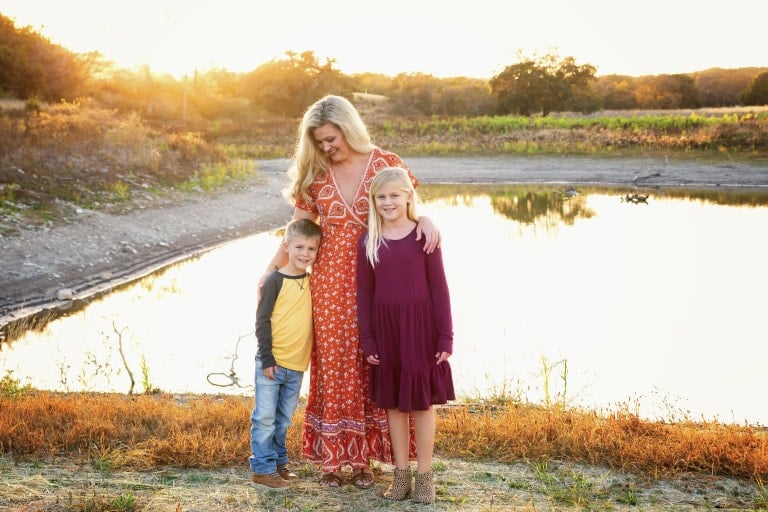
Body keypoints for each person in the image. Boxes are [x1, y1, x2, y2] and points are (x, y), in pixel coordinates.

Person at [259, 94, 440, 488]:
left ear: (349, 128)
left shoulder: (385, 163)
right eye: (319, 141)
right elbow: (299, 227)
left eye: (331, 138)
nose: (326, 147)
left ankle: (366, 464)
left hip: (383, 275)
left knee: (372, 362)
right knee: (336, 363)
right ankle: (332, 462)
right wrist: (271, 270)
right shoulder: (316, 173)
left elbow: (407, 205)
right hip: (330, 283)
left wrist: (425, 218)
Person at [356, 167, 454, 504]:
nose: (388, 202)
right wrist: (368, 338)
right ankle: (401, 475)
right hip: (386, 331)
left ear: (409, 196)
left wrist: (445, 336)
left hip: (421, 329)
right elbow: (364, 293)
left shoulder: (423, 236)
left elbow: (440, 289)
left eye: (394, 195)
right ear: (374, 201)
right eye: (381, 197)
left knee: (423, 405)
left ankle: (425, 476)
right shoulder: (368, 240)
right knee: (394, 406)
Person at [249, 218, 322, 490]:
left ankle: (279, 463)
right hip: (273, 363)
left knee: (283, 420)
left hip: (296, 366)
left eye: (311, 249)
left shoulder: (313, 282)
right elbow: (262, 321)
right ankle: (263, 469)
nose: (305, 254)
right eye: (299, 247)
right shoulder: (274, 281)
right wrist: (266, 358)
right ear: (287, 246)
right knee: (265, 418)